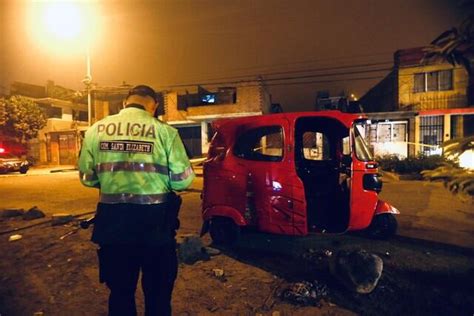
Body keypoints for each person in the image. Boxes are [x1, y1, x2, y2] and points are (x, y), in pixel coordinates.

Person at [78, 85, 195, 316]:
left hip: (113, 225)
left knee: (121, 294)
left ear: (124, 103)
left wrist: (112, 182)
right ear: (154, 106)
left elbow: (87, 178)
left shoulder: (95, 130)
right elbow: (183, 181)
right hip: (156, 227)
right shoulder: (165, 132)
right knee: (158, 297)